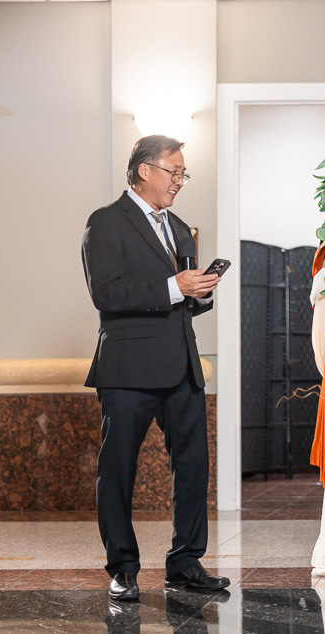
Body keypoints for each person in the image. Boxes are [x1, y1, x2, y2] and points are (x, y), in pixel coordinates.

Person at [81, 135, 229, 601]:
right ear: (145, 170)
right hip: (127, 368)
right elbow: (106, 294)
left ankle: (185, 562)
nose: (180, 182)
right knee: (118, 469)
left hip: (182, 365)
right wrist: (173, 286)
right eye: (174, 171)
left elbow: (181, 300)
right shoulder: (105, 222)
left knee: (192, 467)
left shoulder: (180, 225)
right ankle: (122, 567)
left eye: (184, 174)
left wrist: (199, 292)